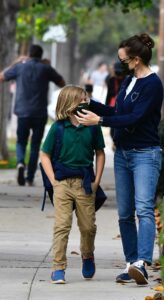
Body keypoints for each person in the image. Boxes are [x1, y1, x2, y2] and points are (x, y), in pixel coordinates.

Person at [75, 33, 163, 285]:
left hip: (146, 153)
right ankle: (131, 263)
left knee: (144, 208)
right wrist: (90, 104)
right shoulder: (128, 82)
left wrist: (100, 121)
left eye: (123, 60)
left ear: (135, 60)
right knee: (125, 213)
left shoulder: (153, 85)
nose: (120, 64)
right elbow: (117, 111)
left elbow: (135, 117)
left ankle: (142, 264)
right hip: (124, 154)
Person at [40, 85, 105, 284]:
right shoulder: (58, 128)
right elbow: (44, 155)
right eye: (81, 100)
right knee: (62, 226)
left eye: (86, 99)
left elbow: (100, 153)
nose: (85, 102)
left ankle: (87, 255)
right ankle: (58, 267)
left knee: (88, 227)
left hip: (85, 184)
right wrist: (53, 181)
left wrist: (97, 181)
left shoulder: (93, 126)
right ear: (69, 104)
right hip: (62, 184)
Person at [0, 45, 65, 186]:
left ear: (28, 55)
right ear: (41, 56)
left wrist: (16, 62)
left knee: (21, 141)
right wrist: (49, 66)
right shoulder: (46, 69)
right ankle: (29, 177)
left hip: (22, 113)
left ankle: (20, 163)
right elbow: (62, 83)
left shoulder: (19, 67)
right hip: (39, 113)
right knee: (35, 145)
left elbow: (1, 76)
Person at [105, 61, 126, 143]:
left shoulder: (126, 80)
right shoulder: (111, 80)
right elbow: (108, 95)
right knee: (112, 129)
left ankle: (118, 143)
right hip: (112, 106)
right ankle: (115, 143)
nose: (118, 74)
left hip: (122, 108)